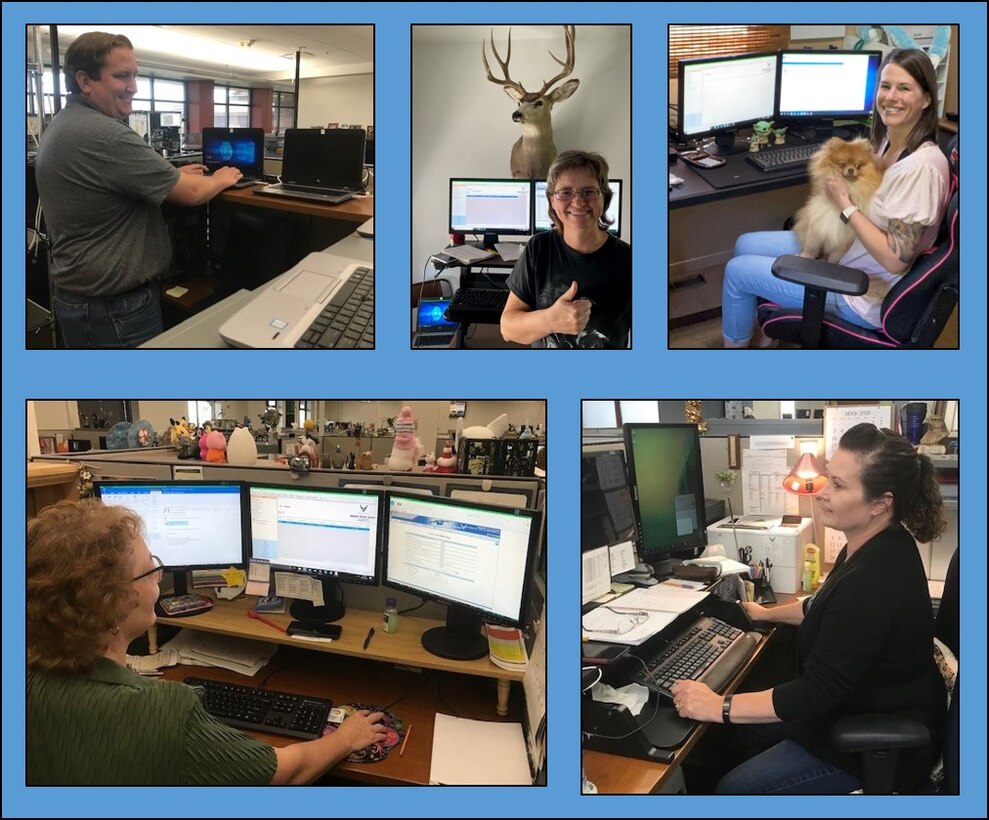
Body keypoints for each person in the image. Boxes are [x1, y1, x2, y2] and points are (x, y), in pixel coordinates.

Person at [27, 501, 389, 785]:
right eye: (150, 567)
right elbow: (282, 773)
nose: (160, 575)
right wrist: (345, 738)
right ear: (113, 602)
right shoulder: (163, 712)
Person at [670, 423, 947, 794]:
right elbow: (822, 606)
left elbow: (815, 692)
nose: (822, 492)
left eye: (839, 485)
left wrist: (717, 705)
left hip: (865, 740)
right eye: (829, 477)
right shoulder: (873, 544)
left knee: (733, 788)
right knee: (728, 740)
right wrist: (762, 614)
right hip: (850, 707)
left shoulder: (875, 580)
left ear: (881, 503)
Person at [721, 48, 951, 348]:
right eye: (885, 86)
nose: (891, 96)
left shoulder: (922, 169)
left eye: (904, 88)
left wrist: (845, 203)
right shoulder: (889, 144)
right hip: (847, 252)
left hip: (861, 291)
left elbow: (895, 261)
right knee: (745, 243)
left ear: (926, 99)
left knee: (736, 273)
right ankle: (770, 334)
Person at [34, 32, 245, 348]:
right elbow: (191, 193)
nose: (133, 85)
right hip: (115, 310)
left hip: (82, 301)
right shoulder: (104, 134)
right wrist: (222, 178)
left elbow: (106, 184)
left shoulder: (64, 124)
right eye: (121, 76)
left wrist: (166, 174)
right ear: (85, 81)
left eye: (134, 74)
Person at [500, 150, 631, 348]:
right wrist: (551, 320)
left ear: (603, 197)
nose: (578, 202)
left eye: (588, 191)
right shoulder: (538, 248)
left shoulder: (629, 259)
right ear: (552, 200)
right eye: (565, 192)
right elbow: (508, 329)